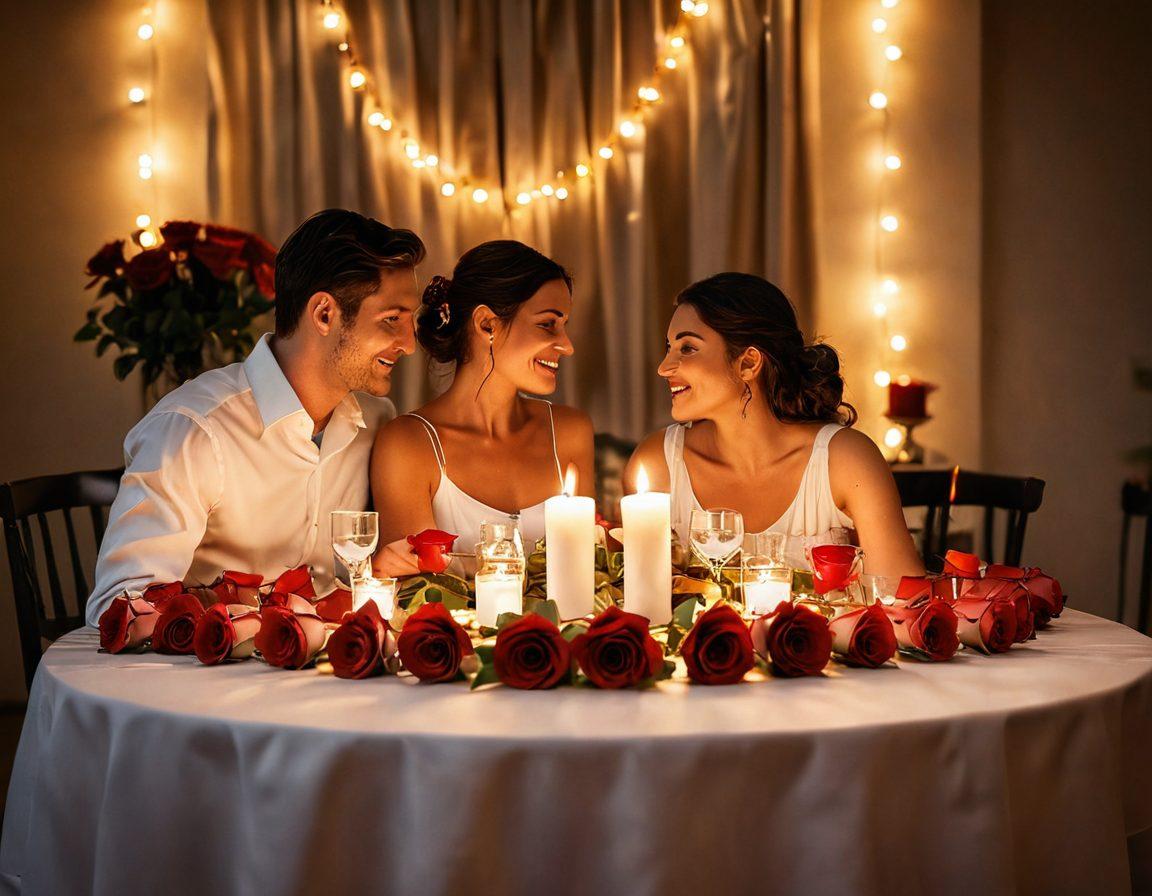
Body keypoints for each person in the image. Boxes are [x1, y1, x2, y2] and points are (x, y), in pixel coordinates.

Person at [85, 209, 424, 626]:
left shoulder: (376, 421)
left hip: (330, 674)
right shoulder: (192, 430)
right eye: (392, 319)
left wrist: (372, 575)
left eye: (411, 321)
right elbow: (120, 605)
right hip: (205, 682)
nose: (409, 344)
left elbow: (340, 582)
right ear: (323, 314)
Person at [624, 272, 924, 577]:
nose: (664, 368)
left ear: (749, 362)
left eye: (687, 348)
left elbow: (902, 601)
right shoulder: (658, 464)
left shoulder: (846, 460)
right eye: (669, 347)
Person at [371, 240, 594, 561]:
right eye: (548, 324)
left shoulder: (571, 432)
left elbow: (588, 568)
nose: (567, 345)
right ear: (486, 324)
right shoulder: (408, 444)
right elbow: (416, 596)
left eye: (564, 326)